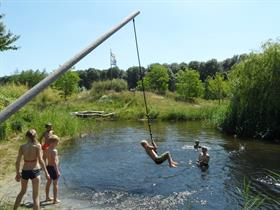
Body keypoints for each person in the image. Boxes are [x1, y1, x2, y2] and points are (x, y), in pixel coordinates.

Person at [13, 129, 50, 210]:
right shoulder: (38, 146)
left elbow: (17, 162)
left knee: (22, 192)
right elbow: (41, 160)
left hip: (25, 171)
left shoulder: (22, 147)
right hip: (35, 170)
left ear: (26, 136)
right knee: (36, 196)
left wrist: (17, 173)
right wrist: (46, 173)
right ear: (35, 136)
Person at [45, 135, 61, 204]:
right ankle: (55, 200)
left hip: (48, 167)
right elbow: (55, 161)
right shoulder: (54, 151)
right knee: (55, 184)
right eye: (57, 142)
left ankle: (47, 197)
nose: (58, 144)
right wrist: (57, 171)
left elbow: (45, 158)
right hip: (53, 168)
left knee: (48, 182)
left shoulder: (47, 149)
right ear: (53, 143)